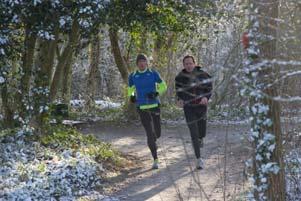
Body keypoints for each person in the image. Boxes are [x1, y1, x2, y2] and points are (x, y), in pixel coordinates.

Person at [128, 54, 167, 169]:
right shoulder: (133, 76)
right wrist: (132, 96)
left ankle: (154, 140)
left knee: (157, 133)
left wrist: (156, 93)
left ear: (146, 63)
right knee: (149, 133)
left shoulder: (153, 73)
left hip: (154, 105)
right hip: (142, 107)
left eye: (143, 61)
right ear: (137, 64)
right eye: (139, 61)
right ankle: (155, 159)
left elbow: (163, 86)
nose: (141, 63)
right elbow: (130, 89)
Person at [175, 55, 213, 169]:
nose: (188, 65)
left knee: (202, 132)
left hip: (201, 107)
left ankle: (201, 138)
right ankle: (199, 159)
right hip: (189, 108)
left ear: (194, 63)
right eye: (186, 63)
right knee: (193, 133)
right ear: (184, 65)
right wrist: (179, 100)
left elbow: (209, 88)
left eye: (190, 63)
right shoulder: (179, 77)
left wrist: (206, 97)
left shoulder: (203, 74)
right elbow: (178, 92)